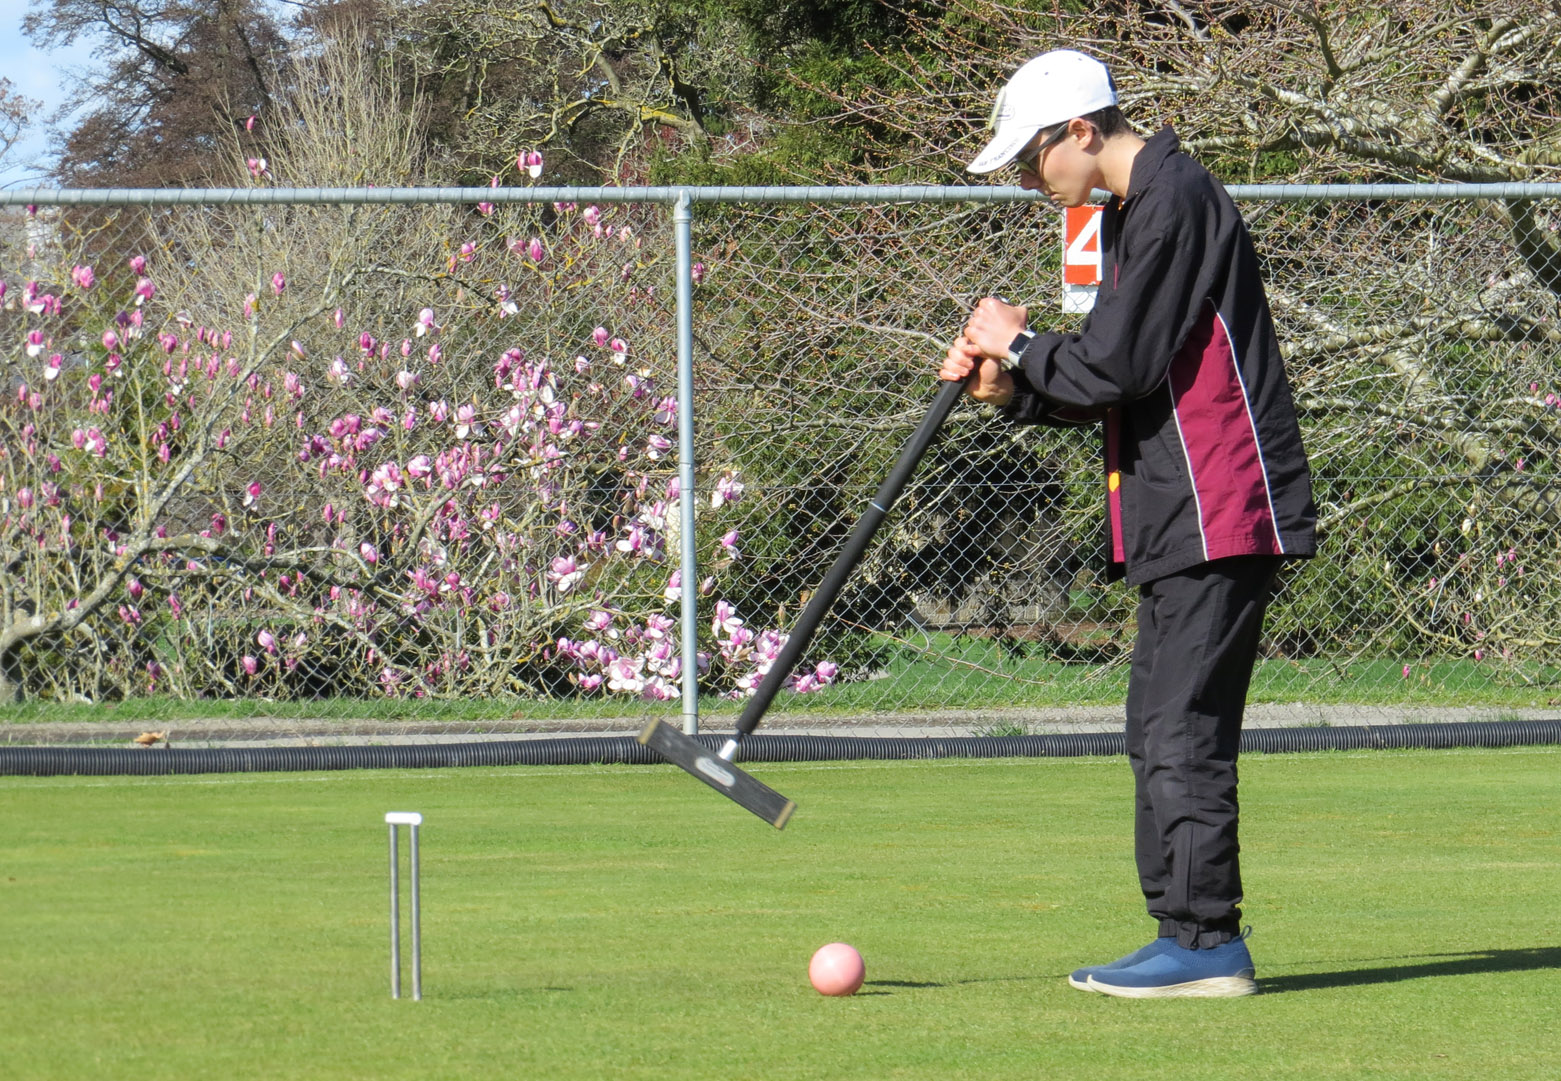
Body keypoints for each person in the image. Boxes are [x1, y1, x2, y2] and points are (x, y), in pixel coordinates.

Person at [942, 49, 1317, 998]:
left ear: (1079, 130)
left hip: (1219, 503)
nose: (1032, 184)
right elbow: (1110, 377)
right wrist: (1009, 388)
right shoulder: (1123, 217)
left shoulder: (1177, 200)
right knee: (1155, 728)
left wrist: (1018, 341)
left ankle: (1204, 945)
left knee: (1182, 729)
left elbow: (1114, 366)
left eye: (1032, 162)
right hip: (1169, 509)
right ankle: (1184, 935)